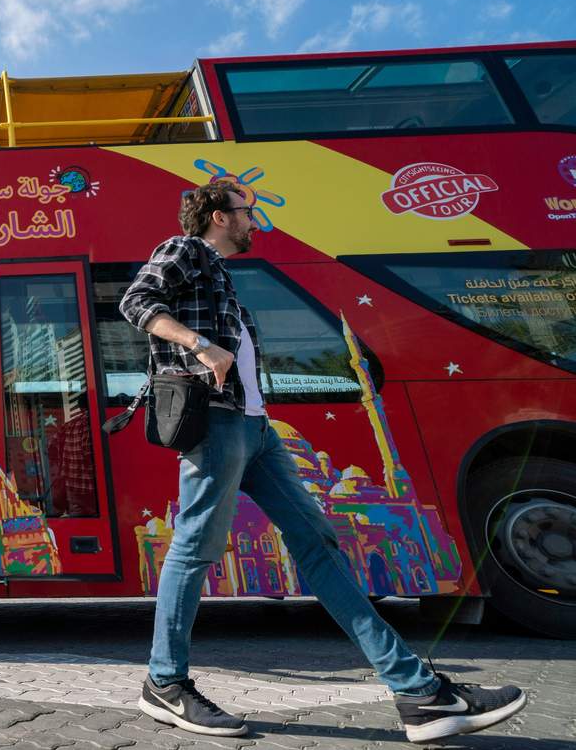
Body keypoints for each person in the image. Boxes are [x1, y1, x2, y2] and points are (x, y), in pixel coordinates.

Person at [119, 181, 527, 743]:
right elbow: (136, 302)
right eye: (246, 211)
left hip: (256, 431)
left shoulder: (222, 279)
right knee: (193, 548)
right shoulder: (185, 250)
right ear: (218, 216)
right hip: (216, 424)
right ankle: (165, 683)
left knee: (319, 545)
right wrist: (200, 344)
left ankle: (418, 694)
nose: (253, 220)